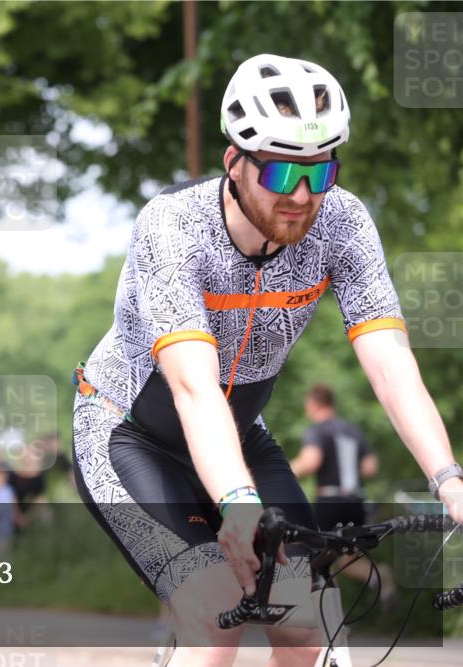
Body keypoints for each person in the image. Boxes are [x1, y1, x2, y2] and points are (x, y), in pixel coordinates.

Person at [72, 53, 462, 665]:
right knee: (216, 615)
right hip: (131, 434)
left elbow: (389, 358)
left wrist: (449, 480)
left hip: (241, 432)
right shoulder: (173, 228)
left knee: (306, 625)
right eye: (281, 175)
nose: (302, 196)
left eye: (319, 172)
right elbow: (195, 389)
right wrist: (236, 501)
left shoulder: (343, 222)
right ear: (234, 161)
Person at [290, 384, 394, 604]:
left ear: (314, 404)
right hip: (355, 501)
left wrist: (283, 473)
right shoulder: (353, 431)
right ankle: (379, 575)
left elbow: (310, 461)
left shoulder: (318, 430)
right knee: (349, 558)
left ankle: (330, 617)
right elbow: (370, 467)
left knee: (318, 560)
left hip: (330, 502)